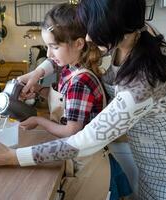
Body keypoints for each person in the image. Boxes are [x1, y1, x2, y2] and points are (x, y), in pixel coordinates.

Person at [0, 0, 166, 199]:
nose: (88, 37)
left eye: (93, 30)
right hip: (148, 164)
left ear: (113, 26)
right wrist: (38, 73)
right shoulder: (130, 33)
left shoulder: (143, 81)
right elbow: (74, 51)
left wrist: (12, 157)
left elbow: (82, 140)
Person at [19, 3, 105, 138]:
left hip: (84, 156)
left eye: (54, 47)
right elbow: (64, 102)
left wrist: (38, 120)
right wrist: (36, 88)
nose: (48, 54)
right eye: (47, 46)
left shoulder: (80, 82)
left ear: (78, 44)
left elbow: (71, 131)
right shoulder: (70, 68)